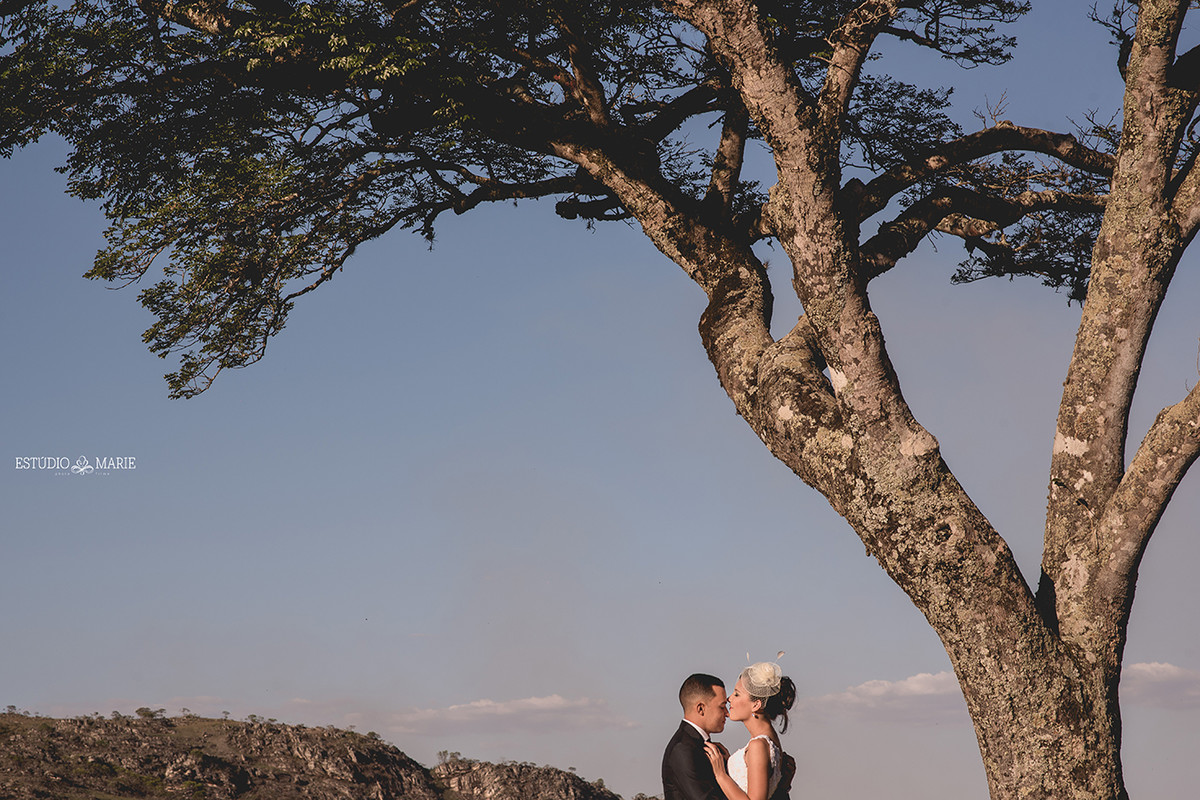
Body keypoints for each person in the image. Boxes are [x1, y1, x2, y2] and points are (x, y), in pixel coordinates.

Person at [703, 662, 796, 800]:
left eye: (736, 694)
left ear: (756, 704)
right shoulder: (770, 741)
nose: (729, 699)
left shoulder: (758, 745)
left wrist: (721, 774)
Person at [662, 673, 729, 800]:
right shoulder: (683, 748)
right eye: (722, 707)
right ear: (700, 708)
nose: (727, 713)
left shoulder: (697, 745)